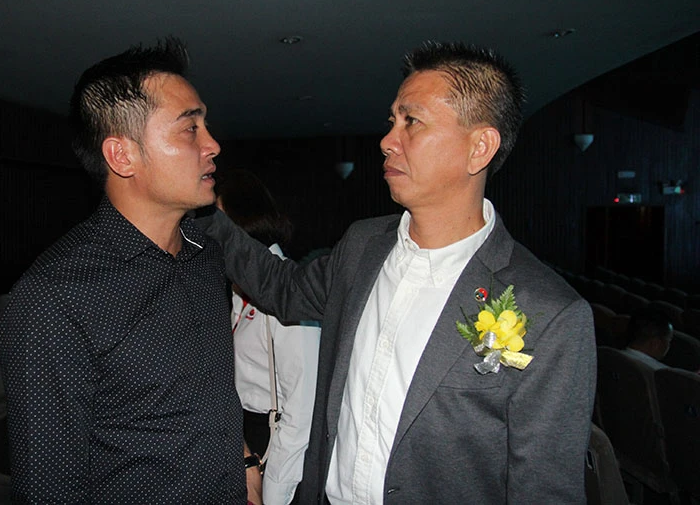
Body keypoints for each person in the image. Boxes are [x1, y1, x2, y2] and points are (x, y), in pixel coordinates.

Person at [201, 41, 596, 503]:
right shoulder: (362, 246)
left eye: (412, 121)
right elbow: (281, 288)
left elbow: (545, 491)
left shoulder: (550, 314)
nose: (388, 140)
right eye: (393, 121)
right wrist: (199, 210)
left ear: (479, 148)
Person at [0, 38, 253, 503]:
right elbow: (48, 489)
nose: (213, 144)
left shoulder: (206, 256)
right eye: (189, 128)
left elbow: (205, 397)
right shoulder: (53, 298)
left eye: (206, 126)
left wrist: (244, 462)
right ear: (122, 156)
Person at [215, 169, 320, 505]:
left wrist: (275, 493)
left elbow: (302, 410)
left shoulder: (287, 289)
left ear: (243, 222)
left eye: (218, 220)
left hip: (274, 441)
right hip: (241, 434)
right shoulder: (237, 287)